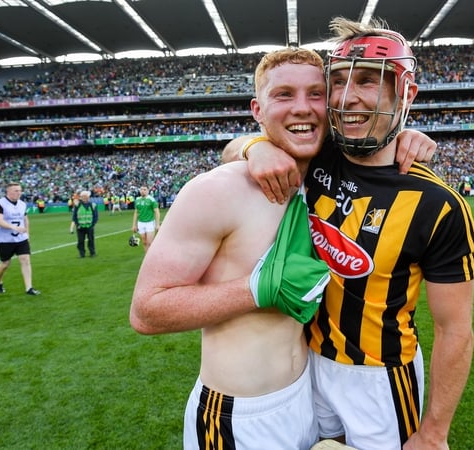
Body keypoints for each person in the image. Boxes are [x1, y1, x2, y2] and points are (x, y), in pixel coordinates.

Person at [235, 17, 474, 449]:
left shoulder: (438, 205)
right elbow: (234, 148)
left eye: (367, 80)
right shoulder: (318, 155)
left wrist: (434, 432)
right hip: (307, 363)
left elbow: (455, 330)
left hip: (379, 379)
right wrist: (255, 147)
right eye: (339, 81)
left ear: (405, 93)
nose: (347, 96)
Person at [130, 48, 333, 449]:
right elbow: (146, 311)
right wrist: (253, 289)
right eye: (284, 95)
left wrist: (408, 139)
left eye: (316, 94)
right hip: (236, 417)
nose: (303, 107)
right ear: (258, 109)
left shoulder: (328, 180)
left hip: (306, 397)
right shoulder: (216, 190)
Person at [0, 182, 41, 296]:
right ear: (8, 192)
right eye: (16, 191)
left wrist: (27, 234)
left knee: (25, 260)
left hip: (21, 238)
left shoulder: (22, 204)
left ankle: (29, 288)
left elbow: (25, 219)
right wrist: (13, 227)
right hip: (5, 239)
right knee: (5, 263)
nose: (19, 193)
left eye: (20, 190)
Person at [131, 186, 160, 253]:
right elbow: (136, 212)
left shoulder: (151, 200)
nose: (142, 191)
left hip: (150, 223)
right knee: (144, 242)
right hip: (140, 223)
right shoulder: (137, 200)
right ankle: (146, 256)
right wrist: (134, 225)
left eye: (144, 189)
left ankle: (152, 256)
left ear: (148, 191)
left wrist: (157, 224)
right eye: (141, 189)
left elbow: (157, 212)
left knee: (150, 242)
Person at [72, 190, 98, 258]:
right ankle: (82, 254)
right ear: (81, 197)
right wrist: (77, 224)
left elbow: (95, 216)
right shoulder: (77, 205)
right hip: (80, 226)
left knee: (91, 240)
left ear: (88, 197)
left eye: (85, 196)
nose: (84, 198)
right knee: (80, 241)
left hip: (90, 226)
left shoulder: (93, 205)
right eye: (83, 196)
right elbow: (74, 216)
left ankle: (92, 253)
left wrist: (93, 224)